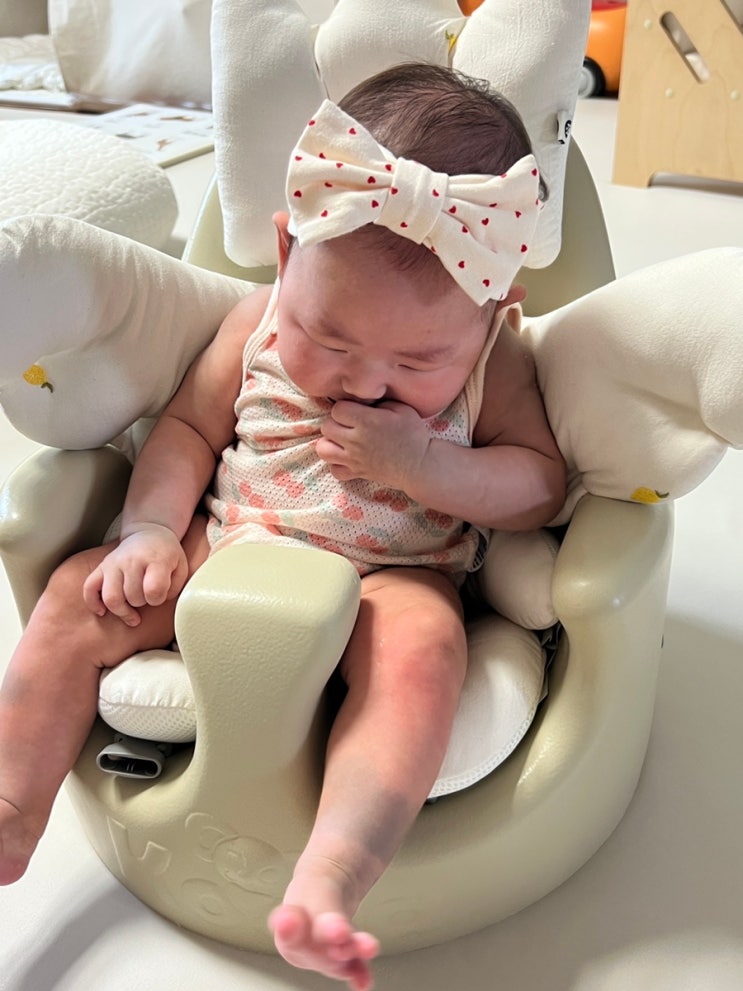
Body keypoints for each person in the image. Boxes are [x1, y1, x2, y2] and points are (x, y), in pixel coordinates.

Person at [0, 64, 565, 990]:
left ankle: (334, 870)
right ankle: (13, 806)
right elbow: (185, 431)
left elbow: (539, 484)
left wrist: (426, 465)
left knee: (426, 652)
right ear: (283, 253)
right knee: (75, 592)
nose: (366, 380)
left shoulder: (492, 367)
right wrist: (148, 531)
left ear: (494, 317)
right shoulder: (251, 324)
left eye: (416, 361)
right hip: (226, 543)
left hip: (393, 577)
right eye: (329, 338)